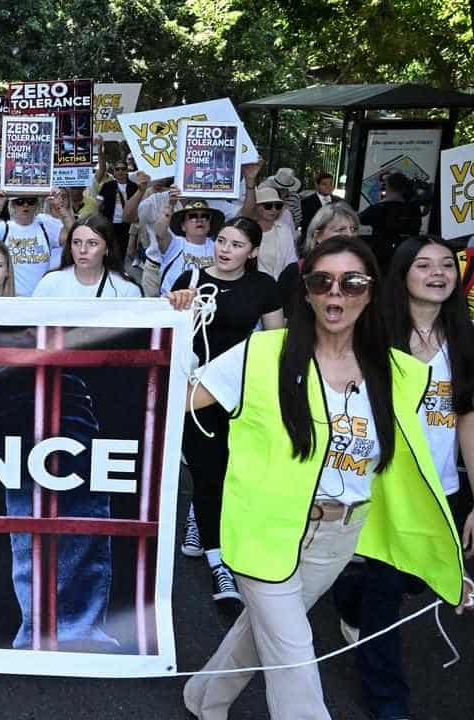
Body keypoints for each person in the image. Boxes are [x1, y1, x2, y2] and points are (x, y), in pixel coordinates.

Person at [179, 236, 469, 720]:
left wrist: (447, 551)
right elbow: (177, 398)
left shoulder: (398, 373)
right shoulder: (261, 354)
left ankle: (203, 698)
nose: (337, 294)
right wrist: (176, 326)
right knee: (295, 656)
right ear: (307, 292)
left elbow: (416, 467)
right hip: (264, 528)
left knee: (264, 633)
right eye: (322, 281)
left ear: (372, 291)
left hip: (338, 535)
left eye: (352, 282)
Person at [331, 236, 474, 720]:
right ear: (402, 275)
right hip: (384, 490)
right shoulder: (376, 334)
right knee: (386, 593)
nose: (438, 273)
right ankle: (387, 699)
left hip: (441, 489)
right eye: (424, 265)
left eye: (446, 265)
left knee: (414, 579)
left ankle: (347, 592)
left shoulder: (464, 337)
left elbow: (468, 418)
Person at [165, 217, 285, 608]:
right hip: (197, 393)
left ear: (252, 251)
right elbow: (168, 334)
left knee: (231, 472)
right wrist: (180, 307)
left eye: (236, 244)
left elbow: (274, 343)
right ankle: (220, 563)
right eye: (221, 241)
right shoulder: (190, 277)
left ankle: (200, 519)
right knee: (207, 471)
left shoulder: (264, 286)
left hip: (240, 394)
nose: (225, 249)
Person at [0, 188, 69, 296]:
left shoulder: (45, 225)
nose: (25, 205)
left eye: (31, 202)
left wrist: (61, 208)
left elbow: (72, 237)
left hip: (42, 297)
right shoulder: (4, 227)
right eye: (19, 202)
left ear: (36, 205)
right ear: (12, 205)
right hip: (13, 298)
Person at [277, 202, 360, 318]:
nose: (349, 235)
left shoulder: (361, 274)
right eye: (340, 230)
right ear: (317, 235)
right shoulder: (295, 272)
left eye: (353, 229)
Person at [32, 215, 141, 298]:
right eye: (76, 242)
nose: (83, 250)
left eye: (92, 243)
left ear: (107, 248)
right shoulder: (50, 283)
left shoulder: (126, 289)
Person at [153, 197, 225, 296]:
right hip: (172, 304)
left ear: (210, 224)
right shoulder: (175, 244)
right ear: (183, 226)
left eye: (205, 216)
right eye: (192, 216)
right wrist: (170, 205)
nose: (199, 220)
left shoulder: (219, 248)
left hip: (206, 305)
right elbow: (159, 233)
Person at [359, 172, 422, 272]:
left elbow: (361, 218)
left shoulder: (379, 208)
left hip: (381, 256)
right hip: (407, 253)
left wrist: (382, 201)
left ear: (387, 187)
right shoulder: (414, 209)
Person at [97, 153, 140, 264]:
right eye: (117, 169)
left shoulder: (135, 187)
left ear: (127, 171)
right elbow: (98, 204)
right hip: (110, 224)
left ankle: (120, 272)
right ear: (114, 172)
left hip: (128, 225)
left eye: (123, 169)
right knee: (109, 250)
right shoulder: (107, 186)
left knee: (123, 251)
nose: (120, 172)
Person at [248, 185, 298, 280]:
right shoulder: (248, 231)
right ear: (257, 207)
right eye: (268, 206)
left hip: (280, 286)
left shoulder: (284, 230)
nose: (273, 210)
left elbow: (291, 261)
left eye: (278, 206)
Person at [301, 172, 336, 241]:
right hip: (312, 240)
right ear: (317, 185)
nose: (328, 187)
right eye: (324, 184)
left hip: (333, 241)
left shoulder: (338, 201)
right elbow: (306, 225)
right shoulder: (307, 202)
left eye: (331, 184)